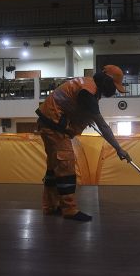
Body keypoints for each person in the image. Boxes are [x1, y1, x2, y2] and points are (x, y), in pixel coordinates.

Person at [35, 65, 132, 222]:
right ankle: (69, 210)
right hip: (53, 127)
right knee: (66, 165)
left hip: (50, 125)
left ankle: (50, 206)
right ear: (107, 81)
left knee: (54, 168)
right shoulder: (87, 92)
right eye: (114, 87)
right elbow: (104, 127)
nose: (114, 91)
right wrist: (119, 149)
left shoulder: (88, 87)